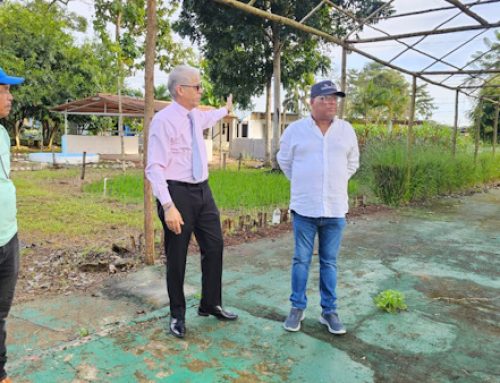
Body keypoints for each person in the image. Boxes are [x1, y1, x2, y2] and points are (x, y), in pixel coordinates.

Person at [146, 65, 238, 339]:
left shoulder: (195, 116)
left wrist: (226, 110)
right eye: (197, 87)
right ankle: (177, 314)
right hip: (177, 194)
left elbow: (211, 118)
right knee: (177, 256)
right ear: (180, 90)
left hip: (202, 191)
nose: (201, 91)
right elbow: (154, 167)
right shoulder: (163, 122)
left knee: (215, 245)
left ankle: (210, 303)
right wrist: (168, 205)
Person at [277, 80, 359, 335]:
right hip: (305, 209)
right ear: (311, 102)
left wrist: (333, 182)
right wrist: (305, 183)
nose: (331, 102)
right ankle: (297, 308)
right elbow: (284, 161)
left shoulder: (346, 130)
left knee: (329, 262)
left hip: (335, 209)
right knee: (301, 259)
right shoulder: (296, 130)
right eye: (325, 98)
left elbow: (352, 163)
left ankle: (329, 312)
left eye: (335, 98)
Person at [0, 67, 25, 383]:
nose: (10, 95)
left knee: (0, 315)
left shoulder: (4, 134)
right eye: (4, 89)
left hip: (8, 237)